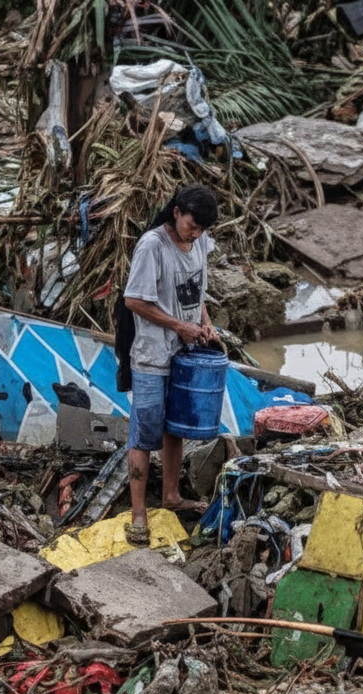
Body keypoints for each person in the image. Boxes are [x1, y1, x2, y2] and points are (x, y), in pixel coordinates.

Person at [121, 183, 220, 546]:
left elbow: (198, 293)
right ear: (176, 212)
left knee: (174, 429)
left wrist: (205, 323)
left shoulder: (200, 243)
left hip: (185, 355)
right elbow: (133, 300)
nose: (196, 234)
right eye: (192, 225)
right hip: (151, 355)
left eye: (202, 229)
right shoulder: (152, 246)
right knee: (144, 434)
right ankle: (138, 514)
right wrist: (180, 325)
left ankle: (172, 495)